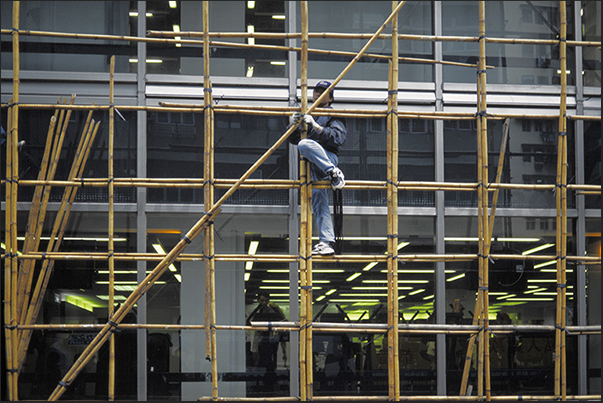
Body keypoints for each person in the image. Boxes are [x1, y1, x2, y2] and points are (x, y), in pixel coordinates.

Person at [288, 80, 347, 255]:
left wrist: (316, 126)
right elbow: (292, 139)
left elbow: (338, 138)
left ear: (330, 98)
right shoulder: (309, 112)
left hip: (327, 158)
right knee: (319, 201)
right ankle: (326, 241)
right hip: (313, 165)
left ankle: (334, 172)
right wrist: (293, 125)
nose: (318, 94)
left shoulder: (333, 115)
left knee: (305, 144)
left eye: (323, 92)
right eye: (316, 91)